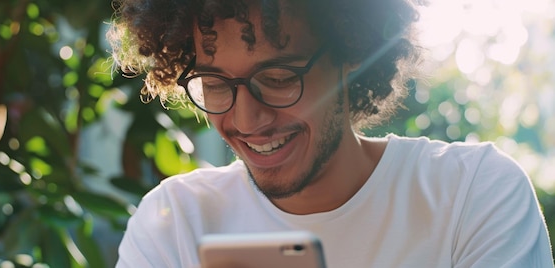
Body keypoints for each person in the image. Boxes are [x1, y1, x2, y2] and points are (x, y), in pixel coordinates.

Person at [107, 0, 554, 267]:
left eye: (279, 77)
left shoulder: (472, 194)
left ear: (351, 54)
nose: (246, 119)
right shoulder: (175, 222)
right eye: (217, 85)